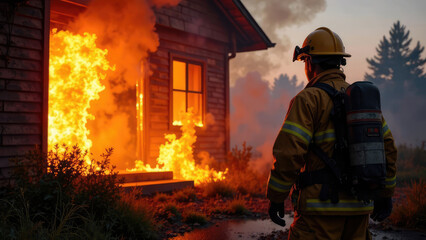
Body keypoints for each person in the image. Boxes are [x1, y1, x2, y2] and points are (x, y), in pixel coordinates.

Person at [266, 27, 397, 240]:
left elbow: (289, 153)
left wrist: (276, 197)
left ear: (310, 61)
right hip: (359, 209)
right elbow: (388, 148)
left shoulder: (308, 99)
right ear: (339, 62)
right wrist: (385, 194)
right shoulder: (361, 101)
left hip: (320, 213)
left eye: (304, 61)